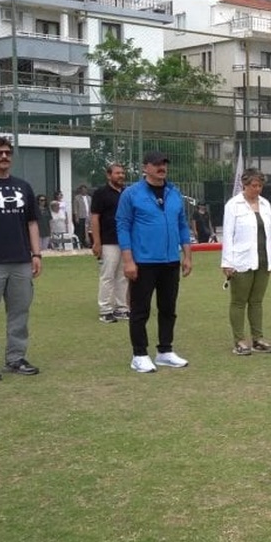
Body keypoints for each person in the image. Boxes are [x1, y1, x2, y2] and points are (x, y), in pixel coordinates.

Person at [116, 151, 192, 374]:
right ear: (145, 167)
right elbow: (123, 226)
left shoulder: (174, 193)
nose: (162, 168)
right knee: (140, 310)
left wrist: (187, 256)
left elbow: (182, 225)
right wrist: (128, 260)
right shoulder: (131, 194)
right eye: (157, 164)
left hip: (170, 260)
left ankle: (165, 351)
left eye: (164, 164)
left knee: (168, 308)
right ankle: (139, 354)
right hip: (144, 261)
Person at [0, 136, 42, 381]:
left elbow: (32, 222)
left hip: (20, 260)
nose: (4, 157)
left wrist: (36, 253)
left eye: (8, 153)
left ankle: (15, 358)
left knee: (19, 312)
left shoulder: (23, 186)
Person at [222, 168, 271, 356]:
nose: (257, 189)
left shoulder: (265, 204)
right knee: (239, 301)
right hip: (241, 260)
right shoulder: (233, 205)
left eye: (260, 186)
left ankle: (258, 339)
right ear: (244, 185)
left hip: (263, 259)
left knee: (257, 301)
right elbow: (228, 234)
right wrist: (227, 262)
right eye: (254, 185)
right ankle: (239, 340)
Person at [91, 163, 130, 324]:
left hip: (125, 241)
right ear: (109, 175)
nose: (120, 176)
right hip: (108, 241)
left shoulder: (127, 193)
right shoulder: (101, 193)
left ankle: (121, 308)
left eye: (122, 173)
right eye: (117, 173)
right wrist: (97, 242)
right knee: (107, 275)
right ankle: (105, 309)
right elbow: (94, 218)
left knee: (123, 276)